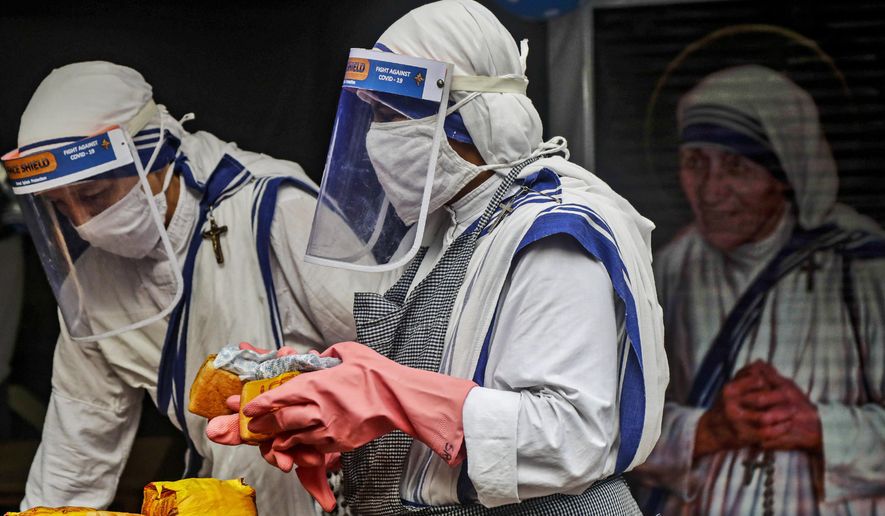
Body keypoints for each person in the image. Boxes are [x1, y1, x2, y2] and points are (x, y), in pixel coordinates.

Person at [206, 1, 668, 514]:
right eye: (370, 115)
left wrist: (387, 394)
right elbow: (441, 422)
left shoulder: (553, 232)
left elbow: (569, 439)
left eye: (388, 116)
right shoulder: (447, 234)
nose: (374, 139)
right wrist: (343, 422)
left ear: (468, 113)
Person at [2, 61, 374, 515]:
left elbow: (390, 351)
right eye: (60, 206)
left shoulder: (272, 209)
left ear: (153, 154)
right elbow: (79, 439)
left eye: (95, 195)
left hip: (356, 492)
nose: (83, 222)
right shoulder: (94, 285)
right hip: (224, 500)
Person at [630, 65, 885, 514]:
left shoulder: (861, 263)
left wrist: (819, 426)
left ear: (784, 172)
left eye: (735, 166)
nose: (711, 190)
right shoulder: (671, 268)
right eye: (695, 163)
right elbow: (617, 426)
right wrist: (707, 428)